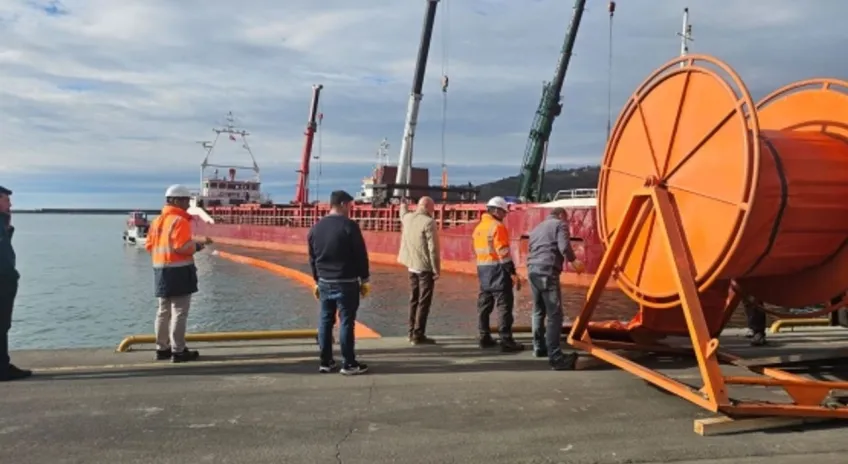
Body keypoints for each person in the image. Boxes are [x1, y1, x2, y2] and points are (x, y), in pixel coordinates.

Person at [145, 184, 212, 363]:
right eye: (185, 201)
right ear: (176, 200)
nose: (187, 205)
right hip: (179, 270)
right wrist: (197, 246)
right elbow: (181, 247)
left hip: (160, 270)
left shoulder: (157, 221)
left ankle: (162, 348)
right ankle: (179, 350)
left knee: (163, 311)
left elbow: (149, 246)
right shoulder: (179, 221)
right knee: (179, 312)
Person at [308, 190, 371, 375]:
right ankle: (349, 364)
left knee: (326, 320)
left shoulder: (316, 228)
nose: (351, 209)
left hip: (325, 281)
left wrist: (316, 280)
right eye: (350, 205)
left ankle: (326, 361)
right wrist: (365, 278)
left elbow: (312, 258)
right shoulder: (349, 226)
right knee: (346, 322)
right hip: (346, 282)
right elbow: (360, 255)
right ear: (343, 204)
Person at [526, 207, 585, 370]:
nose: (566, 222)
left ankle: (539, 348)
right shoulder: (560, 224)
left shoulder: (537, 228)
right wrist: (574, 261)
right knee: (555, 314)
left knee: (538, 310)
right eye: (566, 219)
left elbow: (530, 249)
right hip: (547, 271)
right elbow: (564, 246)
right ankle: (556, 357)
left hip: (532, 270)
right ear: (561, 216)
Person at [472, 196, 523, 352]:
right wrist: (513, 273)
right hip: (499, 271)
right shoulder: (497, 227)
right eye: (503, 212)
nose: (505, 215)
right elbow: (503, 253)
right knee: (504, 306)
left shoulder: (479, 228)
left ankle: (484, 337)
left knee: (484, 306)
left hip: (483, 271)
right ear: (495, 210)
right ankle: (506, 340)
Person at [397, 196, 441, 345]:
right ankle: (418, 334)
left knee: (413, 299)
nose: (434, 211)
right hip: (424, 268)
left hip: (411, 266)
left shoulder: (408, 218)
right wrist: (436, 270)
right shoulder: (429, 222)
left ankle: (410, 332)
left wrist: (403, 204)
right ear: (428, 207)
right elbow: (433, 249)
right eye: (433, 208)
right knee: (424, 302)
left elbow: (402, 213)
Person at [0, 186, 31, 382]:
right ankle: (2, 368)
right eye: (6, 200)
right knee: (1, 324)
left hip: (6, 279)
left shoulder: (3, 223)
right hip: (2, 280)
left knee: (3, 325)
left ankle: (3, 364)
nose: (10, 204)